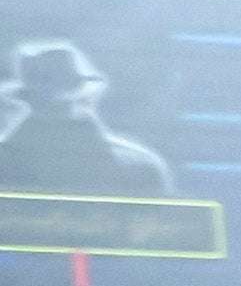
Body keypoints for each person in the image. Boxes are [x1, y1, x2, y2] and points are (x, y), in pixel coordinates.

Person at [0, 39, 173, 198]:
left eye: (62, 101)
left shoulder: (140, 168)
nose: (56, 110)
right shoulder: (139, 165)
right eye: (49, 102)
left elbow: (157, 227)